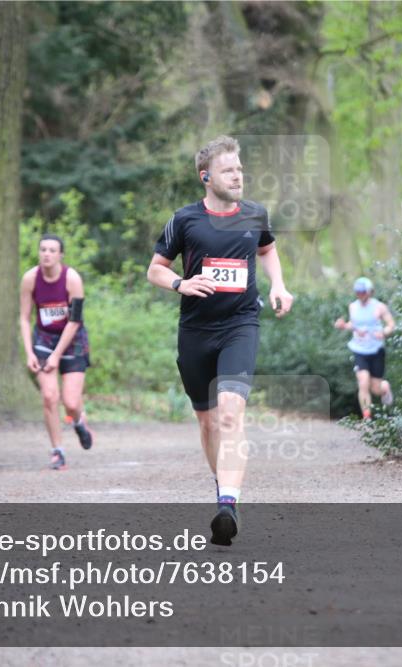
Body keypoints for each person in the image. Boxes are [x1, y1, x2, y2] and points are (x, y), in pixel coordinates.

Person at [147, 135, 293, 546]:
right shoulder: (185, 220)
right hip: (195, 331)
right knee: (208, 421)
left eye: (241, 169)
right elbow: (154, 269)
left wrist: (279, 285)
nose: (238, 176)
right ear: (206, 176)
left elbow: (267, 249)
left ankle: (228, 504)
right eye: (229, 170)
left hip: (240, 325)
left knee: (230, 412)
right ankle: (222, 484)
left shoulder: (255, 214)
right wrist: (181, 282)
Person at [19, 234, 93, 469]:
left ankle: (79, 420)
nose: (47, 254)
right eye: (43, 250)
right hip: (43, 338)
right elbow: (23, 318)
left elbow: (74, 321)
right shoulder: (30, 278)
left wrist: (56, 355)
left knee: (71, 402)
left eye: (52, 250)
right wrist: (29, 352)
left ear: (60, 255)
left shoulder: (72, 279)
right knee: (50, 396)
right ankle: (57, 451)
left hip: (72, 339)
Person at [335, 277, 394, 420]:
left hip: (376, 350)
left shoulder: (379, 307)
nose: (360, 295)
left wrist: (384, 332)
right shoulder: (353, 307)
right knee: (363, 382)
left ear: (370, 292)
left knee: (376, 388)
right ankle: (367, 417)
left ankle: (385, 388)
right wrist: (344, 325)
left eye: (363, 292)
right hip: (359, 349)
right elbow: (353, 324)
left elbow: (391, 324)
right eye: (357, 292)